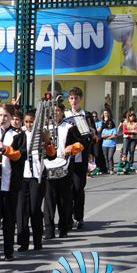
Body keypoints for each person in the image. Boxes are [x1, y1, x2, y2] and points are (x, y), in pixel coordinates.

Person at [0, 104, 25, 263]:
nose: (2, 119)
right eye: (0, 115)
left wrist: (5, 149)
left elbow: (21, 156)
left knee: (9, 220)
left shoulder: (18, 135)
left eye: (6, 116)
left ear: (11, 117)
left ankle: (9, 252)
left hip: (9, 183)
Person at [43, 101, 84, 239]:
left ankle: (63, 228)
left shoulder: (70, 127)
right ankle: (49, 230)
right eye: (52, 111)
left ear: (62, 112)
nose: (55, 113)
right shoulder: (44, 128)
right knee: (49, 199)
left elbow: (81, 143)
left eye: (57, 111)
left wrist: (71, 148)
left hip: (65, 166)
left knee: (64, 199)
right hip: (48, 166)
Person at [16, 110, 45, 252]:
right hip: (22, 177)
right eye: (26, 122)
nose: (29, 124)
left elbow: (50, 153)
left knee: (35, 209)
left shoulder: (41, 136)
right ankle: (23, 242)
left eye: (31, 122)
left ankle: (38, 241)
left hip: (36, 176)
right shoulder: (19, 136)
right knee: (22, 210)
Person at [66, 87, 91, 230]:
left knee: (78, 188)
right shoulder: (64, 115)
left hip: (80, 159)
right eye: (71, 98)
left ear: (80, 99)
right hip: (66, 159)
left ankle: (79, 216)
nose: (74, 101)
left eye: (76, 98)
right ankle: (68, 217)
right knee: (67, 189)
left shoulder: (85, 115)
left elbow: (92, 136)